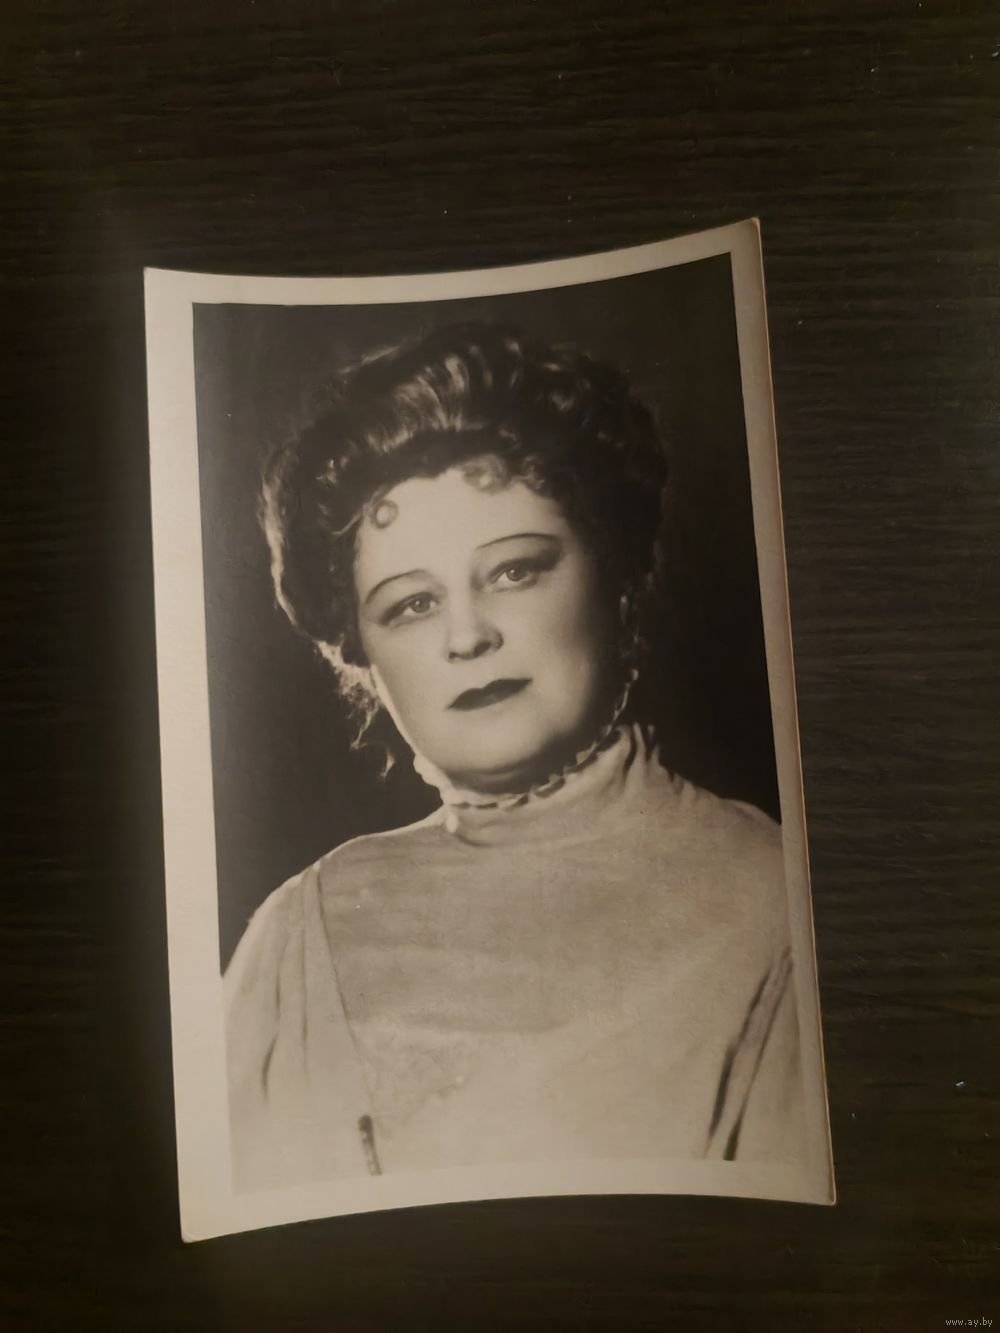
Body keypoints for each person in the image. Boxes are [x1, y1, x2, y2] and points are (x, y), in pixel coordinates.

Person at [224, 321, 809, 1193]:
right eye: (412, 604)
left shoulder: (777, 898)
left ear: (618, 579)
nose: (467, 636)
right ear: (363, 657)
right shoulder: (294, 936)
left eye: (514, 571)